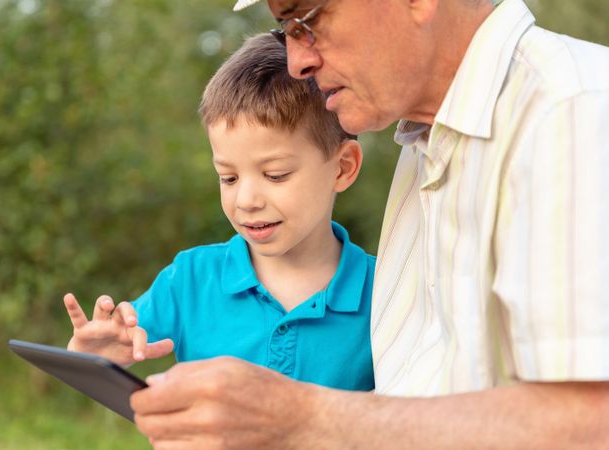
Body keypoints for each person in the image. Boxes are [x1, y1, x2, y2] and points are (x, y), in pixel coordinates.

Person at [129, 0, 609, 448]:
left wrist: (301, 418)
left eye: (308, 20)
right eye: (285, 30)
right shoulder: (428, 147)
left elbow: (592, 422)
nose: (297, 62)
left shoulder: (570, 113)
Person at [63, 33, 376, 392]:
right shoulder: (190, 280)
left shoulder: (387, 291)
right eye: (228, 177)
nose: (246, 200)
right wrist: (90, 357)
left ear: (342, 168)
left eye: (275, 175)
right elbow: (115, 347)